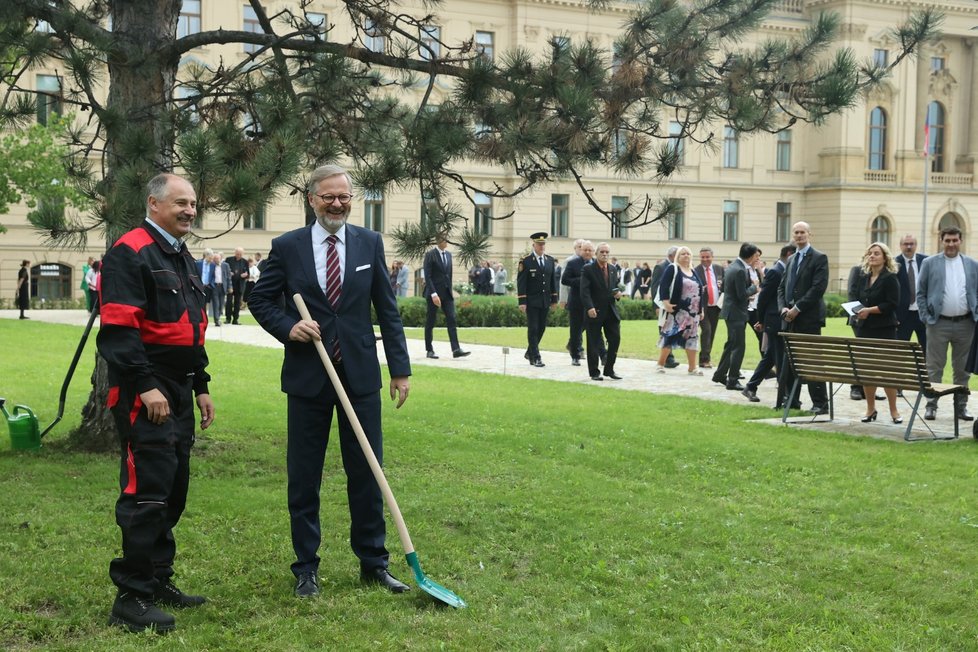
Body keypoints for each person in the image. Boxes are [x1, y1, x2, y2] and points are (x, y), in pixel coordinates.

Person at [248, 164, 413, 599]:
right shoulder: (288, 247)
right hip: (308, 378)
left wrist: (399, 368)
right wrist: (289, 328)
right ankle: (306, 567)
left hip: (359, 376)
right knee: (305, 477)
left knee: (367, 471)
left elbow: (387, 309)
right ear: (311, 199)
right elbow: (260, 299)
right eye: (328, 197)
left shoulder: (369, 242)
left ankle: (373, 563)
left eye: (343, 196)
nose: (337, 204)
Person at [97, 173, 215, 633]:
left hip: (181, 389)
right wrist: (145, 385)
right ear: (154, 203)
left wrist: (201, 383)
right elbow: (120, 329)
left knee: (173, 487)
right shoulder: (130, 251)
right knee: (147, 492)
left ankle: (158, 578)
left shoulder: (181, 256)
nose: (190, 210)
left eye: (193, 204)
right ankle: (131, 596)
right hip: (144, 390)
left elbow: (194, 327)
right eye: (181, 203)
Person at [917, 225, 978, 421]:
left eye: (955, 240)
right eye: (947, 240)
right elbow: (921, 293)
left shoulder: (972, 264)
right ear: (941, 241)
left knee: (962, 368)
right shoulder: (929, 263)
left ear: (961, 241)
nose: (951, 244)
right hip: (938, 323)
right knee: (934, 366)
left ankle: (961, 407)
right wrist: (926, 317)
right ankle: (931, 405)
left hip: (965, 324)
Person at [777, 221, 829, 414]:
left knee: (812, 360)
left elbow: (818, 288)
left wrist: (797, 308)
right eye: (796, 232)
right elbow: (782, 287)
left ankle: (820, 403)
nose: (799, 235)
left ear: (809, 234)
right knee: (790, 360)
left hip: (808, 318)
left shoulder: (819, 258)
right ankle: (792, 400)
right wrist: (783, 308)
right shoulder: (791, 259)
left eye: (802, 232)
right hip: (789, 318)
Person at [853, 242, 902, 424]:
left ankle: (894, 410)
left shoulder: (889, 278)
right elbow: (858, 298)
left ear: (885, 257)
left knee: (887, 372)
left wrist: (869, 310)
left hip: (884, 330)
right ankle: (870, 408)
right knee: (867, 372)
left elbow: (892, 303)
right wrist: (857, 310)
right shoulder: (864, 277)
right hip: (865, 329)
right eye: (870, 253)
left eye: (876, 253)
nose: (872, 256)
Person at [742, 244, 796, 403]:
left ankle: (751, 386)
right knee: (777, 357)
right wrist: (761, 320)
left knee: (771, 356)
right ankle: (784, 394)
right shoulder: (775, 271)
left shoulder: (785, 270)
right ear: (789, 254)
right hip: (774, 321)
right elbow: (764, 298)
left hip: (779, 320)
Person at [711, 243, 760, 390]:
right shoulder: (740, 270)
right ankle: (732, 380)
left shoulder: (733, 266)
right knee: (738, 347)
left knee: (731, 345)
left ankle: (719, 375)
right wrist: (754, 287)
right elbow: (741, 295)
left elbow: (727, 288)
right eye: (756, 256)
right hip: (736, 313)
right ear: (751, 256)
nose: (757, 258)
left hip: (731, 311)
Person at [656, 246, 704, 374]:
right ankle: (660, 363)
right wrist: (666, 303)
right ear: (677, 256)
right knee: (671, 334)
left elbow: (700, 291)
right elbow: (664, 285)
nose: (686, 256)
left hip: (693, 312)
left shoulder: (693, 271)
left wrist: (701, 309)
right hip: (678, 311)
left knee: (692, 337)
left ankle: (693, 367)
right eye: (683, 254)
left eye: (688, 253)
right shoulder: (673, 268)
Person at [421, 237, 471, 359]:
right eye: (444, 239)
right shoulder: (430, 255)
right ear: (438, 241)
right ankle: (429, 350)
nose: (447, 241)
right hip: (434, 294)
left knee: (452, 318)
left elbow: (448, 274)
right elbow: (428, 276)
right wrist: (433, 294)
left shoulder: (448, 255)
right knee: (430, 321)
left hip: (447, 293)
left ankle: (456, 349)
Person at [580, 242, 623, 380]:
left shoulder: (612, 269)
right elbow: (584, 291)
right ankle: (594, 372)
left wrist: (617, 294)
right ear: (596, 253)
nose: (604, 254)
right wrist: (589, 307)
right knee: (593, 342)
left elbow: (613, 287)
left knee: (615, 339)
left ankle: (609, 369)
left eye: (607, 252)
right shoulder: (588, 269)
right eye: (602, 252)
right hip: (595, 310)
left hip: (610, 311)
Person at [517, 232, 559, 367]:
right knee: (533, 328)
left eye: (543, 244)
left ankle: (530, 352)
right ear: (533, 245)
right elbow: (521, 283)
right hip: (531, 301)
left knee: (541, 328)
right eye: (539, 244)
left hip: (545, 300)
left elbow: (553, 281)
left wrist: (554, 299)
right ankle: (536, 357)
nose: (542, 246)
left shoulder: (550, 260)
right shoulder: (526, 261)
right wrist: (522, 302)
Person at [561, 240, 594, 366]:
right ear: (580, 251)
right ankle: (575, 355)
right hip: (576, 302)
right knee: (575, 331)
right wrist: (582, 281)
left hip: (591, 302)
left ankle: (600, 355)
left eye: (589, 250)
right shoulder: (572, 263)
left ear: (593, 252)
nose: (586, 252)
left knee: (590, 329)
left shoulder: (596, 264)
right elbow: (564, 280)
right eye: (584, 249)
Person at [694, 247, 724, 369]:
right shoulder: (695, 271)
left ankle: (706, 357)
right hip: (702, 307)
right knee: (706, 330)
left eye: (707, 257)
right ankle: (704, 359)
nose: (705, 259)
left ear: (712, 257)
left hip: (716, 307)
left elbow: (724, 286)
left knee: (712, 332)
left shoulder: (719, 269)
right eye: (703, 257)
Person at [896, 234, 926, 349]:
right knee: (900, 350)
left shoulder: (925, 261)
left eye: (911, 244)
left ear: (916, 245)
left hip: (922, 313)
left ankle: (924, 368)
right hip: (903, 315)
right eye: (905, 244)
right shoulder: (894, 264)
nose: (909, 247)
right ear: (900, 245)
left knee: (927, 348)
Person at [650, 247, 680, 368]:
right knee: (664, 330)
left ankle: (668, 357)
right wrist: (656, 306)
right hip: (662, 305)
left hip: (673, 305)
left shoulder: (677, 267)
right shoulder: (661, 267)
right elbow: (655, 287)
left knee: (671, 330)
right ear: (672, 255)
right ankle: (668, 358)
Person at [225, 247, 249, 324]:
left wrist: (245, 275)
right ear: (235, 253)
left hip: (239, 285)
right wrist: (229, 273)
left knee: (237, 303)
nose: (238, 255)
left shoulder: (245, 262)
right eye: (237, 254)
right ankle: (228, 319)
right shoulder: (228, 260)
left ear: (242, 254)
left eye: (240, 254)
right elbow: (224, 271)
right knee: (228, 302)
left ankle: (235, 319)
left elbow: (248, 273)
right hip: (230, 285)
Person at [206, 252, 230, 326]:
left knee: (221, 304)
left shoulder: (225, 265)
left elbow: (228, 277)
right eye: (215, 259)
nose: (217, 260)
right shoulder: (211, 265)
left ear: (220, 258)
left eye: (218, 258)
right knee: (216, 304)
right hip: (215, 287)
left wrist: (230, 287)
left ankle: (218, 317)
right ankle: (216, 320)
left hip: (223, 287)